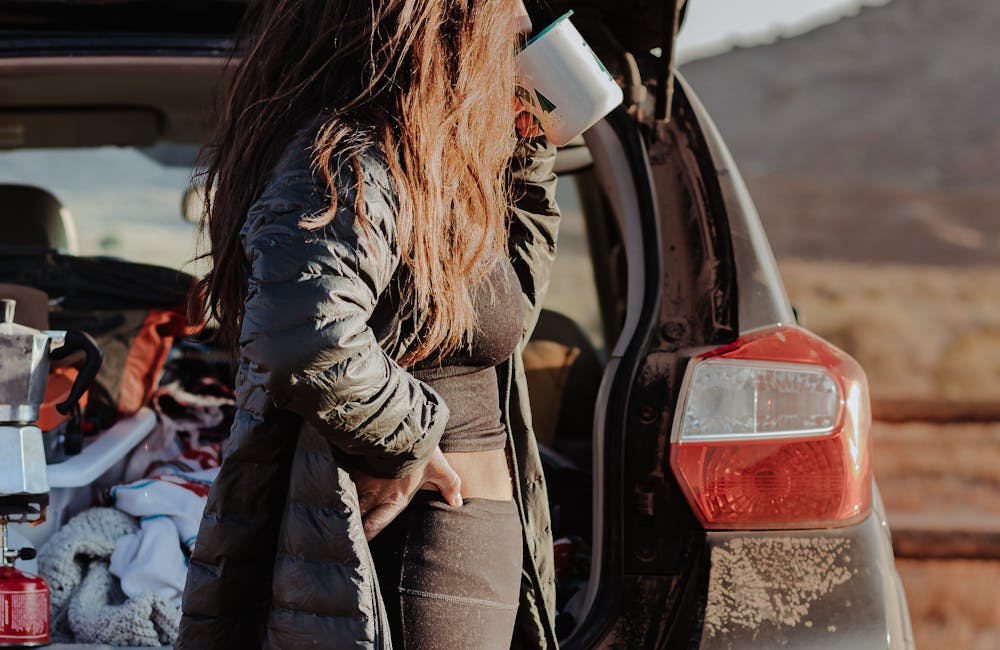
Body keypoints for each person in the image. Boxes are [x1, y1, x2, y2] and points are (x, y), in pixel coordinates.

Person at [177, 0, 561, 648]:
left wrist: (529, 147)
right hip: (419, 544)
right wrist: (408, 436)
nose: (526, 18)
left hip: (465, 543)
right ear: (446, 24)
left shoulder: (434, 170)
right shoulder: (354, 154)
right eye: (508, 7)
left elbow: (511, 313)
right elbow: (300, 334)